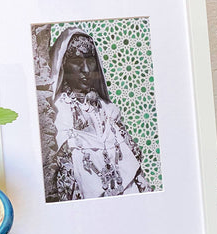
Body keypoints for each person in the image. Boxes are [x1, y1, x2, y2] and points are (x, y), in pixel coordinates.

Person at [49, 27, 151, 201]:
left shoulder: (108, 110)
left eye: (90, 60)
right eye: (76, 60)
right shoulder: (58, 112)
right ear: (63, 64)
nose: (86, 69)